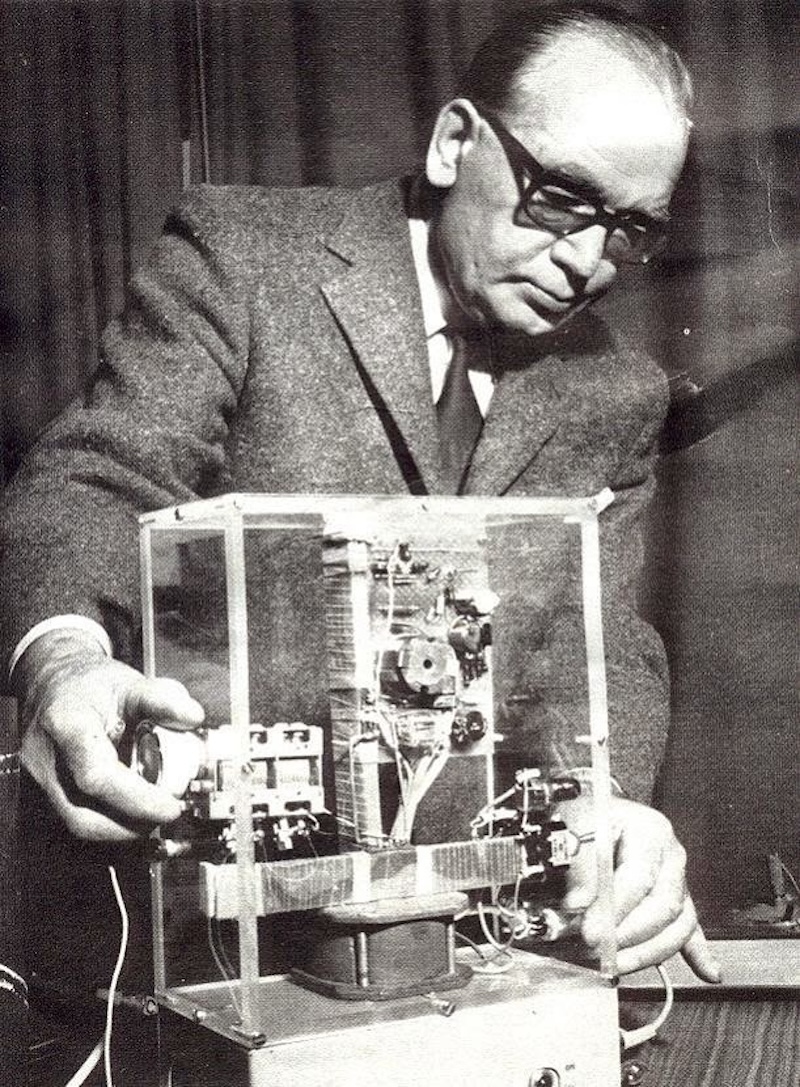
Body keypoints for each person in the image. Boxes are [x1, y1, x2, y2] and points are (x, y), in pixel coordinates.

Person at [0, 2, 720, 982]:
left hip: (449, 945)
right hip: (188, 930)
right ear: (454, 143)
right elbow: (95, 480)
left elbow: (603, 645)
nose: (588, 262)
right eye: (560, 199)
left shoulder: (618, 390)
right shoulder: (244, 259)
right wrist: (62, 665)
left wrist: (610, 809)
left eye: (629, 230)